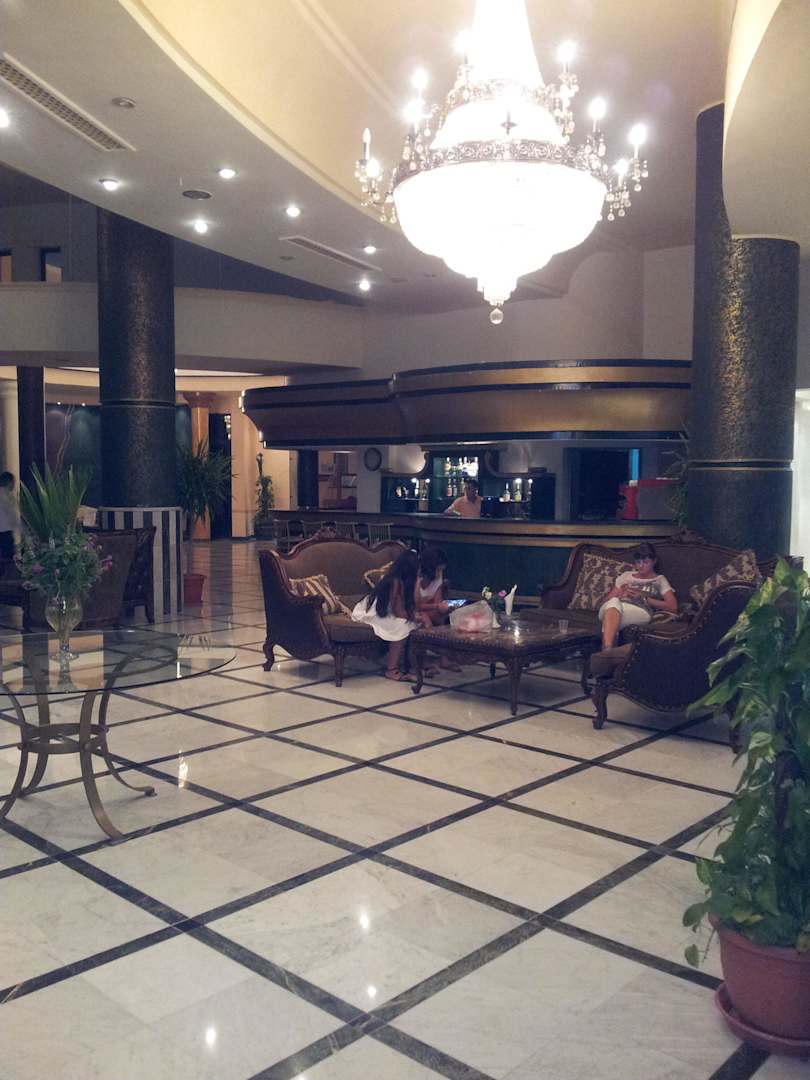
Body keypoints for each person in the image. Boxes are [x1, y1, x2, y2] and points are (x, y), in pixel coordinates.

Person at [351, 549, 425, 681]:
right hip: (370, 613)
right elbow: (398, 612)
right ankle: (391, 669)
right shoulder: (395, 581)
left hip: (387, 613)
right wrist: (413, 617)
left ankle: (416, 665)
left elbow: (416, 605)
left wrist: (417, 584)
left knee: (415, 623)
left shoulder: (407, 582)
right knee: (402, 625)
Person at [598, 543, 677, 649]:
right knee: (614, 602)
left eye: (645, 562)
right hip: (613, 606)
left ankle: (606, 648)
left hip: (640, 611)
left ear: (654, 561)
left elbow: (673, 607)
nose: (641, 566)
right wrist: (620, 594)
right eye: (638, 562)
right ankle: (608, 652)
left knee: (611, 618)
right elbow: (604, 602)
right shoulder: (626, 576)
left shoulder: (659, 580)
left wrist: (644, 599)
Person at [0, 471, 20, 560]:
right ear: (10, 482)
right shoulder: (8, 496)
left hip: (4, 533)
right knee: (8, 560)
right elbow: (14, 516)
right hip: (5, 534)